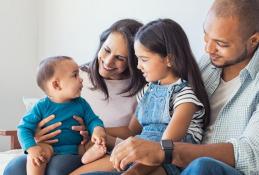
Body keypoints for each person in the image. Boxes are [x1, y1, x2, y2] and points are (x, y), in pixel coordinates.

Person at [88, 0, 259, 175]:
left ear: (253, 40)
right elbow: (135, 130)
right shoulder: (206, 65)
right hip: (168, 158)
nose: (208, 49)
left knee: (203, 166)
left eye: (221, 44)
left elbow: (251, 153)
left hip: (194, 165)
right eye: (206, 36)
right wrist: (94, 130)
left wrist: (165, 151)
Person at [4, 19, 146, 175]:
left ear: (134, 60)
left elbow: (132, 132)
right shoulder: (74, 75)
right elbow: (44, 111)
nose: (108, 61)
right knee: (15, 167)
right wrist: (36, 135)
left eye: (120, 58)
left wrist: (95, 131)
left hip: (96, 150)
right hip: (52, 146)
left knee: (56, 169)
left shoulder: (143, 90)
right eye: (106, 50)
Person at [74, 18, 211, 175]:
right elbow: (131, 130)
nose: (138, 66)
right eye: (137, 59)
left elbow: (165, 149)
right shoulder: (148, 90)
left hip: (164, 163)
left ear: (170, 60)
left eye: (143, 59)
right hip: (137, 154)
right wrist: (98, 130)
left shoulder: (185, 97)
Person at [17, 56, 107, 175]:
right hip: (50, 147)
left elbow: (93, 120)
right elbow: (24, 128)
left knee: (94, 146)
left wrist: (97, 130)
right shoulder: (41, 106)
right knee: (37, 157)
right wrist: (32, 148)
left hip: (78, 147)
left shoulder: (81, 103)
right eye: (75, 75)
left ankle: (88, 156)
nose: (81, 79)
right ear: (56, 85)